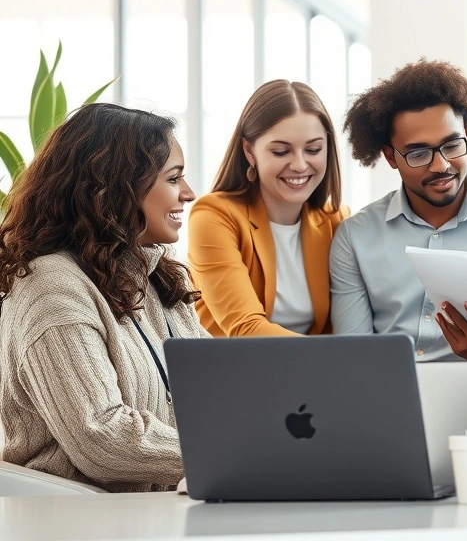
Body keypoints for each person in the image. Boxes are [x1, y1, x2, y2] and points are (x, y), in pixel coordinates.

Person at [0, 104, 208, 492]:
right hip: (80, 520)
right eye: (173, 178)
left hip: (160, 510)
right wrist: (231, 451)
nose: (189, 193)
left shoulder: (158, 279)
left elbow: (221, 383)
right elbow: (101, 434)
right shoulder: (51, 289)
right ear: (117, 186)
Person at [330, 59, 467, 361]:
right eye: (418, 153)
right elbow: (355, 353)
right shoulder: (355, 237)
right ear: (390, 156)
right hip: (392, 398)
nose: (441, 165)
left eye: (452, 145)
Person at [188, 80, 346, 336]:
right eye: (281, 151)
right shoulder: (213, 215)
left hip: (310, 373)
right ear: (250, 151)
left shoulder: (336, 220)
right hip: (230, 372)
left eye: (313, 149)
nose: (299, 164)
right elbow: (246, 329)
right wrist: (334, 358)